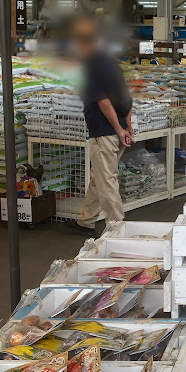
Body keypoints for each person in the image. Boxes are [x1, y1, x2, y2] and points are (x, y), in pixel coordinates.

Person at [69, 15, 133, 235]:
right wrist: (127, 126)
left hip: (105, 132)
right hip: (119, 130)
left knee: (106, 182)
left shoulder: (91, 66)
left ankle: (117, 229)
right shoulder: (111, 63)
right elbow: (126, 96)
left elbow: (103, 102)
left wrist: (117, 128)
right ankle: (86, 221)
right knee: (99, 177)